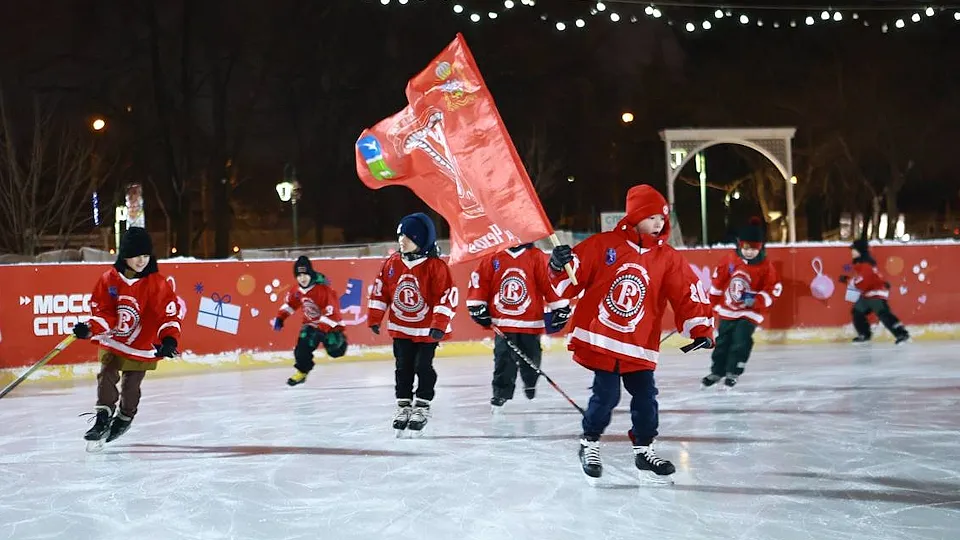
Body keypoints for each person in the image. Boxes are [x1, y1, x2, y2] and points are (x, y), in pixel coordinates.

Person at [548, 185, 715, 481]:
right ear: (635, 217)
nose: (658, 223)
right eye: (651, 217)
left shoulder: (668, 258)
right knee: (607, 395)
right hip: (603, 340)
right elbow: (571, 277)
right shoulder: (604, 245)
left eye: (662, 218)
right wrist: (558, 264)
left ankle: (644, 450)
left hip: (639, 343)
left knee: (646, 397)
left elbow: (688, 293)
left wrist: (700, 327)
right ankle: (589, 442)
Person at [72, 227, 181, 450]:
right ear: (124, 255)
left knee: (131, 386)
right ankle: (103, 415)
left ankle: (125, 416)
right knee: (106, 375)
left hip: (142, 344)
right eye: (135, 255)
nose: (141, 260)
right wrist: (89, 328)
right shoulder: (109, 280)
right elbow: (103, 311)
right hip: (113, 340)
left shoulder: (157, 284)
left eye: (145, 255)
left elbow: (167, 314)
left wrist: (169, 339)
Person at [367, 213, 457, 434]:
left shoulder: (435, 267)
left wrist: (439, 324)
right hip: (401, 328)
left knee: (422, 366)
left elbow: (446, 296)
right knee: (403, 367)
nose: (402, 240)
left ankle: (423, 402)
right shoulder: (391, 264)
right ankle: (404, 403)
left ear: (421, 240)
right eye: (400, 236)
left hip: (427, 331)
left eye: (408, 236)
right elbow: (380, 292)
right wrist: (375, 317)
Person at [466, 243, 571, 411]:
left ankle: (530, 381)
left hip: (531, 322)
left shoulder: (536, 256)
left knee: (531, 357)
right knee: (503, 359)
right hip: (503, 321)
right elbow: (481, 282)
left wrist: (560, 307)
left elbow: (548, 283)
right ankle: (501, 392)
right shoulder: (493, 256)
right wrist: (477, 304)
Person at [703, 218, 782, 389]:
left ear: (760, 247)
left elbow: (773, 289)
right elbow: (718, 282)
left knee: (740, 339)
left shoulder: (766, 267)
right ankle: (718, 371)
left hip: (750, 312)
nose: (749, 252)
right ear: (740, 244)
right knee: (723, 341)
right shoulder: (730, 260)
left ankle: (733, 370)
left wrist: (756, 300)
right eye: (746, 247)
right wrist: (712, 304)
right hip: (728, 310)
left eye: (754, 248)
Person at [274, 256, 347, 386]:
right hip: (310, 325)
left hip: (330, 325)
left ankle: (340, 342)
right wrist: (281, 317)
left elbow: (333, 312)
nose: (302, 278)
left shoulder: (323, 290)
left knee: (336, 350)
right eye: (299, 275)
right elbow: (290, 304)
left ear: (311, 274)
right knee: (301, 349)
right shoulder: (296, 291)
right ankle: (302, 372)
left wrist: (323, 328)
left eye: (305, 274)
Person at [840, 238, 909, 344]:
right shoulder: (861, 263)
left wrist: (847, 280)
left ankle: (902, 334)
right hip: (868, 294)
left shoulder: (865, 264)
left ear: (860, 250)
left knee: (883, 314)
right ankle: (864, 335)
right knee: (857, 311)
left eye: (854, 249)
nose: (852, 252)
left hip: (876, 294)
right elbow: (865, 279)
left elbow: (863, 282)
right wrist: (848, 280)